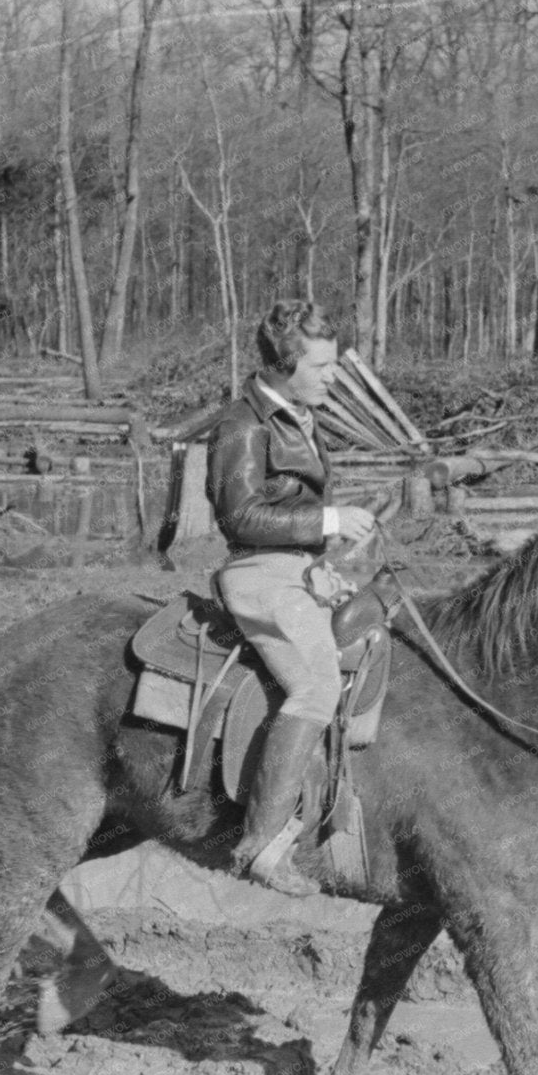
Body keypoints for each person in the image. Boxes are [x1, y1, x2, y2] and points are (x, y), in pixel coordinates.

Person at [207, 300, 378, 896]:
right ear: (284, 365)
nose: (333, 376)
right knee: (317, 685)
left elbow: (288, 507)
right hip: (258, 573)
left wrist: (323, 560)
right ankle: (263, 840)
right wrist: (327, 519)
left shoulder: (297, 417)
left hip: (294, 568)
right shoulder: (243, 425)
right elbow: (240, 514)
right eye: (323, 366)